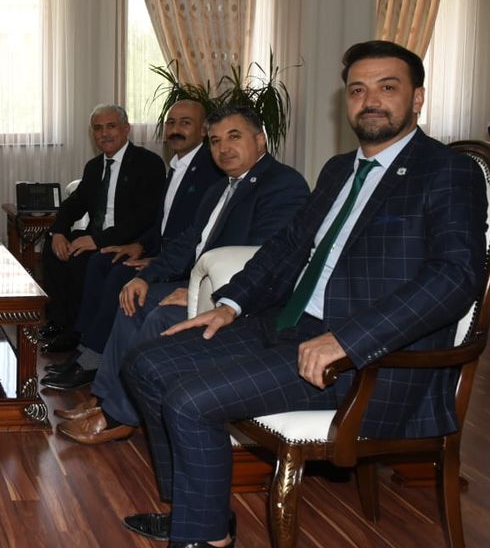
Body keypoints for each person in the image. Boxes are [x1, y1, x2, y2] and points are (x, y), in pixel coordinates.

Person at [121, 40, 486, 548]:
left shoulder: (447, 171)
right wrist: (229, 305)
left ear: (417, 98)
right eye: (357, 90)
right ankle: (196, 512)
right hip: (290, 325)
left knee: (189, 400)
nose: (370, 101)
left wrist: (348, 340)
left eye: (387, 87)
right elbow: (287, 247)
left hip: (369, 360)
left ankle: (204, 538)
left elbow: (454, 278)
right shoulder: (339, 170)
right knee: (145, 364)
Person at [56, 105, 308, 440]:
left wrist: (200, 294)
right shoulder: (220, 187)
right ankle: (105, 399)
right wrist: (144, 277)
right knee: (131, 296)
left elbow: (266, 260)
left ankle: (119, 416)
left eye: (234, 137)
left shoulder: (282, 184)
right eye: (215, 140)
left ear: (260, 140)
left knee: (158, 314)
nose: (223, 148)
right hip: (203, 285)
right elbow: (186, 243)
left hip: (241, 301)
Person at [42, 99, 222, 390]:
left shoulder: (199, 170)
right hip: (145, 246)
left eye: (185, 123)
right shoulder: (176, 166)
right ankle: (81, 343)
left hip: (172, 258)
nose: (175, 129)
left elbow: (154, 220)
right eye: (171, 123)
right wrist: (58, 231)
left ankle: (91, 358)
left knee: (113, 271)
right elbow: (161, 221)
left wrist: (145, 252)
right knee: (79, 259)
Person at [37, 104, 166, 354]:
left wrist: (97, 241)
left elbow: (144, 217)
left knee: (80, 260)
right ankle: (60, 322)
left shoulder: (148, 163)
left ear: (126, 129)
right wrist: (58, 231)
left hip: (128, 241)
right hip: (97, 234)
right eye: (98, 128)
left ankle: (77, 333)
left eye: (111, 126)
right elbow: (75, 203)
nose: (104, 134)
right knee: (53, 251)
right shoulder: (94, 166)